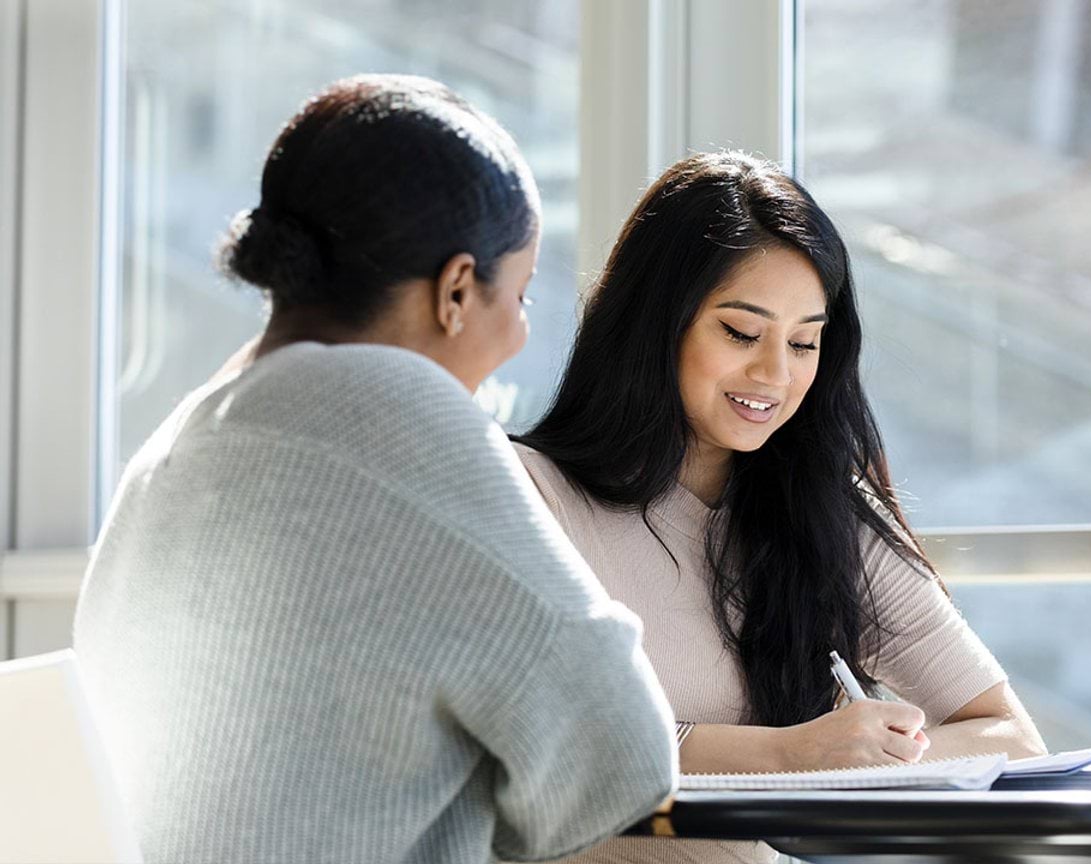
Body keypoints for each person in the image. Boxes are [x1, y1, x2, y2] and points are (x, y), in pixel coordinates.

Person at [73, 74, 676, 863]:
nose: (522, 336)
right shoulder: (396, 404)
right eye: (521, 296)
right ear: (457, 289)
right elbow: (620, 752)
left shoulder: (183, 438)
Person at [515, 151, 1047, 864]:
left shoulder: (823, 510)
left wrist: (858, 762)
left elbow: (1010, 740)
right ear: (655, 323)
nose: (775, 375)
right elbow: (559, 745)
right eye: (741, 332)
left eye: (804, 343)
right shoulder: (526, 494)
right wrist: (792, 755)